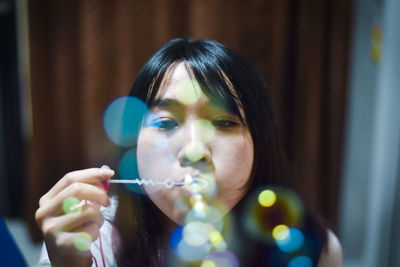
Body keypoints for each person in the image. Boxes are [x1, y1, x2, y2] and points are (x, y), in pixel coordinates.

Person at [35, 38, 342, 266]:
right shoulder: (88, 239)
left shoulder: (316, 250)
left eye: (224, 122)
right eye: (166, 123)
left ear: (260, 143)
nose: (194, 150)